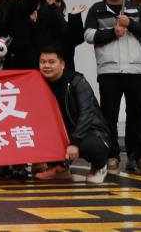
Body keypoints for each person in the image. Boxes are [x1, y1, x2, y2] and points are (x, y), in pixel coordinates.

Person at [84, 0, 141, 175]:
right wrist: (112, 32)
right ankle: (112, 156)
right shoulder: (97, 9)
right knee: (109, 116)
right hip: (109, 70)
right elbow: (88, 35)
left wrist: (130, 23)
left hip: (136, 70)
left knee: (137, 115)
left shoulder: (136, 7)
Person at [36, 45, 111, 184]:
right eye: (42, 62)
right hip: (63, 132)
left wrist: (75, 142)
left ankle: (99, 167)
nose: (46, 66)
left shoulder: (76, 82)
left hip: (90, 131)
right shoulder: (38, 82)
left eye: (51, 62)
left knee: (91, 146)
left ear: (62, 64)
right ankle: (60, 169)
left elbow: (86, 114)